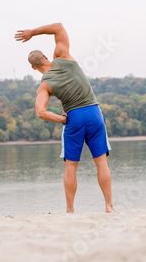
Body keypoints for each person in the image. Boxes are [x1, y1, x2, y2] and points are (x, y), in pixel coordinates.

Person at [15, 23, 114, 213]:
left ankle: (70, 210)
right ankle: (109, 206)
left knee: (71, 166)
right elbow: (58, 27)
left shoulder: (44, 86)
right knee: (101, 162)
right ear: (45, 56)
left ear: (34, 68)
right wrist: (32, 33)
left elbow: (40, 112)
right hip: (94, 113)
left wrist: (61, 119)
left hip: (73, 118)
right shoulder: (63, 56)